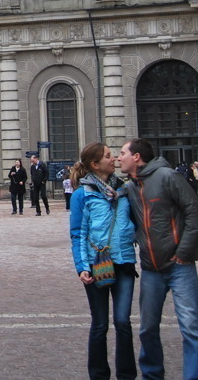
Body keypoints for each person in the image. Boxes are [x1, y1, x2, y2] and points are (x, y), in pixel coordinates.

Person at [119, 137, 198, 380]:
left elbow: (195, 212)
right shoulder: (131, 186)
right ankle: (152, 375)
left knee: (190, 328)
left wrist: (184, 253)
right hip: (150, 268)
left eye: (122, 153)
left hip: (180, 266)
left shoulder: (168, 177)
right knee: (147, 328)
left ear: (136, 157)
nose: (118, 158)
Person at [69, 143, 137, 380]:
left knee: (123, 321)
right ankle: (99, 375)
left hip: (125, 263)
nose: (114, 159)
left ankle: (127, 375)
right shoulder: (82, 195)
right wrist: (82, 267)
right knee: (100, 324)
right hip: (96, 265)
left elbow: (138, 224)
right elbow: (77, 233)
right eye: (109, 156)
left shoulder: (127, 190)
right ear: (95, 165)